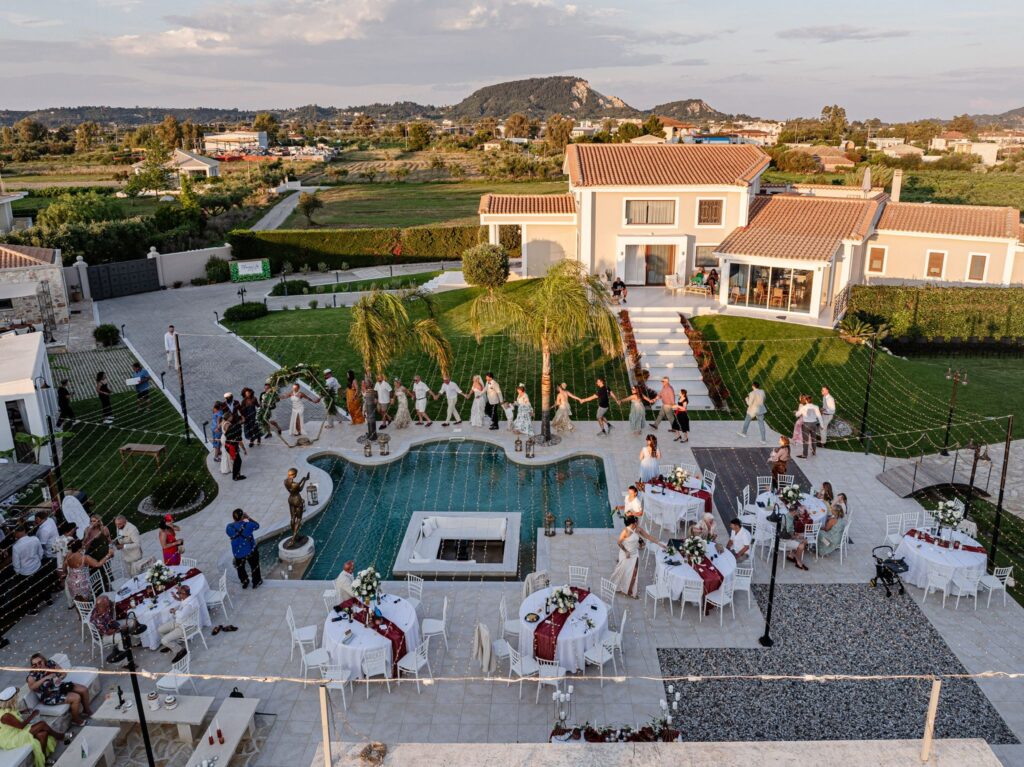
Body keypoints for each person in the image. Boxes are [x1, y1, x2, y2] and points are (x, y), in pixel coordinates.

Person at [0, 684, 63, 767]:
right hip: (11, 738)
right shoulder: (5, 716)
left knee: (43, 734)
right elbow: (21, 726)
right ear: (12, 699)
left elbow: (13, 716)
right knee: (42, 724)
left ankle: (44, 760)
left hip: (16, 731)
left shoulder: (6, 708)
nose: (17, 697)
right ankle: (60, 736)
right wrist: (33, 715)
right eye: (16, 696)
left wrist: (23, 711)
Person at [26, 654, 92, 726]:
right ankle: (75, 720)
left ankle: (86, 711)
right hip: (49, 695)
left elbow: (63, 673)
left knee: (84, 689)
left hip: (59, 686)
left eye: (40, 662)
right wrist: (45, 678)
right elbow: (32, 687)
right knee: (76, 697)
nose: (38, 665)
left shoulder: (50, 663)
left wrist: (60, 678)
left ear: (44, 660)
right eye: (35, 665)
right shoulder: (32, 675)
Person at [608, 517, 663, 598]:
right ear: (634, 523)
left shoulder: (638, 529)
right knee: (622, 571)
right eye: (637, 521)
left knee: (634, 573)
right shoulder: (625, 531)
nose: (638, 522)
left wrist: (660, 543)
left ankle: (630, 592)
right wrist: (626, 551)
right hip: (625, 554)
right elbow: (619, 542)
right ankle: (617, 586)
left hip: (634, 554)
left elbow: (648, 537)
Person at [12, 526, 50, 617]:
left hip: (25, 571)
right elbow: (40, 552)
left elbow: (16, 563)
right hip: (37, 565)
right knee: (42, 584)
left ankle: (33, 609)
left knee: (30, 591)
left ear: (17, 533)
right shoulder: (34, 539)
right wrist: (38, 561)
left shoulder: (16, 547)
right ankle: (48, 600)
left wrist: (17, 571)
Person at [226, 508, 261, 590]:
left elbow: (232, 529)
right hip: (250, 550)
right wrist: (248, 518)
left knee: (240, 569)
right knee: (254, 566)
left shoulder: (229, 527)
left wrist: (237, 521)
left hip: (238, 553)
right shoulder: (248, 525)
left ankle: (245, 582)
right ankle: (256, 582)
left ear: (233, 517)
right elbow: (257, 525)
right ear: (243, 516)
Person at [157, 585, 194, 662]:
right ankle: (171, 646)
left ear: (183, 594)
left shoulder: (189, 604)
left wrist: (175, 611)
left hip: (185, 626)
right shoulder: (187, 598)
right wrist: (176, 608)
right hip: (178, 622)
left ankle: (180, 650)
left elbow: (181, 615)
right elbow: (181, 606)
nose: (177, 594)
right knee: (160, 630)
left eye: (178, 593)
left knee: (164, 640)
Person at [795, 394, 822, 458]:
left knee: (805, 440)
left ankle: (805, 455)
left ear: (806, 400)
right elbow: (819, 416)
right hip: (814, 424)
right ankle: (814, 452)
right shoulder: (816, 407)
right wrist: (822, 425)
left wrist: (796, 412)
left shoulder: (803, 407)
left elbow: (797, 415)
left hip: (806, 424)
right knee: (814, 438)